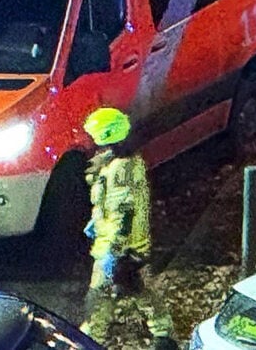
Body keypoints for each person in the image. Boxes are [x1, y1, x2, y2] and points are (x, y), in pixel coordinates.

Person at [80, 107, 178, 350]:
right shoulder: (123, 164)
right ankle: (164, 335)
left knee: (98, 300)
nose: (90, 143)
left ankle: (89, 341)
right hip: (128, 246)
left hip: (117, 248)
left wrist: (115, 250)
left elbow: (123, 211)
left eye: (94, 137)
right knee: (140, 289)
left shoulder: (119, 169)